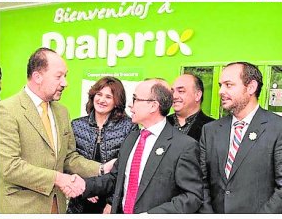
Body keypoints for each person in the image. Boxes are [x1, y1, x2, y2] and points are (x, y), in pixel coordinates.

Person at [0, 48, 100, 214]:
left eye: (65, 76)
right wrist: (59, 178)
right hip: (22, 208)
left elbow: (68, 158)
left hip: (57, 206)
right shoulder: (7, 110)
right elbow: (10, 167)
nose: (65, 83)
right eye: (59, 76)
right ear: (38, 77)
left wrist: (101, 169)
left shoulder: (62, 112)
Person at [81, 79, 203, 214]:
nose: (130, 105)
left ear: (153, 106)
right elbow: (115, 179)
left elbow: (192, 196)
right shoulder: (131, 139)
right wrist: (84, 185)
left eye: (135, 99)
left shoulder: (184, 146)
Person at [199, 62, 282, 213]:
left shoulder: (277, 128)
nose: (221, 91)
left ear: (251, 87)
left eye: (228, 85)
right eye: (220, 85)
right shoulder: (210, 130)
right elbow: (201, 182)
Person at [67, 76, 138, 214]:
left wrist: (112, 202)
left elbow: (128, 168)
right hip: (80, 200)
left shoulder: (129, 127)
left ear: (117, 101)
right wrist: (86, 187)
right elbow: (68, 160)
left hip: (111, 202)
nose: (101, 100)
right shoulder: (76, 125)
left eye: (108, 97)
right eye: (99, 94)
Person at [167, 74, 214, 141]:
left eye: (181, 91)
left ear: (197, 95)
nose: (174, 96)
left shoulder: (212, 128)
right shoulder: (161, 123)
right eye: (172, 92)